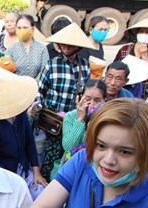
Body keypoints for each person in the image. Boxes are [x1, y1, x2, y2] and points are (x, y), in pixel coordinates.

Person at [38, 23, 92, 181]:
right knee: (50, 158)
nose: (66, 47)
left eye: (70, 44)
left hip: (75, 121)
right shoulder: (53, 64)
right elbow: (39, 90)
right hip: (54, 122)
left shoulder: (85, 66)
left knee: (71, 156)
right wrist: (38, 109)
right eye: (63, 44)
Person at [0, 76, 47, 199]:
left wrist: (36, 171)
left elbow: (29, 142)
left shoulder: (20, 114)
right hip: (4, 175)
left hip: (24, 169)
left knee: (42, 194)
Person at [50, 79, 107, 180]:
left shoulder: (106, 120)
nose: (92, 104)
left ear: (104, 101)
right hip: (68, 167)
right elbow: (68, 146)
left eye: (97, 100)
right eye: (88, 99)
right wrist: (80, 119)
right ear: (80, 98)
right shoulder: (71, 116)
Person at [114, 18, 148, 98]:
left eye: (147, 32)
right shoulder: (125, 49)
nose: (144, 34)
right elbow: (114, 66)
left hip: (139, 91)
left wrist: (144, 55)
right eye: (141, 31)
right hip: (122, 87)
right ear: (137, 33)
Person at [5, 14, 48, 78]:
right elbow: (6, 72)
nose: (22, 30)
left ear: (32, 28)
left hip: (37, 86)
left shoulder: (42, 49)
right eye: (19, 28)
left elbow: (45, 71)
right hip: (16, 85)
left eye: (25, 28)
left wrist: (33, 84)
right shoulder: (11, 49)